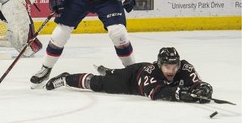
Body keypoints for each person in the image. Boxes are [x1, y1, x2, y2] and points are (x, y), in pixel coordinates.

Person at [45, 47, 214, 104]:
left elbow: (196, 83)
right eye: (166, 67)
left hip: (138, 73)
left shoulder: (185, 67)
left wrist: (204, 89)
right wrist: (180, 94)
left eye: (174, 66)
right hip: (131, 79)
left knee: (110, 73)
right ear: (159, 64)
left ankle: (108, 70)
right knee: (99, 83)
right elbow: (156, 93)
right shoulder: (151, 72)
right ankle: (66, 78)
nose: (171, 71)